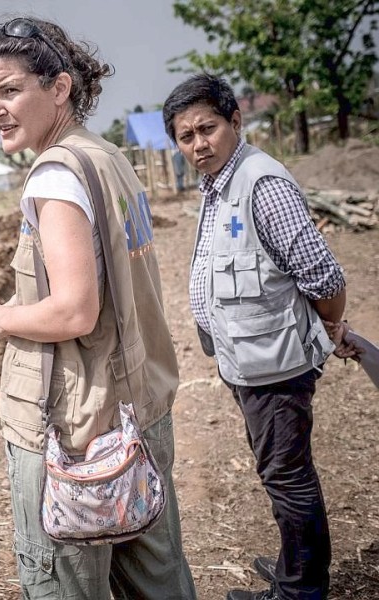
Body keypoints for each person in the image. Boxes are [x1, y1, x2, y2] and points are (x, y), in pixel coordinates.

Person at [0, 16, 197, 600]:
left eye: (10, 89)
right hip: (137, 407)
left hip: (79, 428)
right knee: (157, 575)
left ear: (60, 87)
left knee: (64, 582)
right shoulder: (108, 158)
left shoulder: (55, 175)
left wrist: (0, 317)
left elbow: (74, 311)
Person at [162, 73, 360, 600]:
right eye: (185, 136)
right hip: (251, 362)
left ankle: (300, 591)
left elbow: (324, 276)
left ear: (235, 122)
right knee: (281, 474)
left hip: (277, 367)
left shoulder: (261, 184)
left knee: (288, 479)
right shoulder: (220, 182)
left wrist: (331, 323)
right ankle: (294, 571)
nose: (198, 144)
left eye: (207, 128)